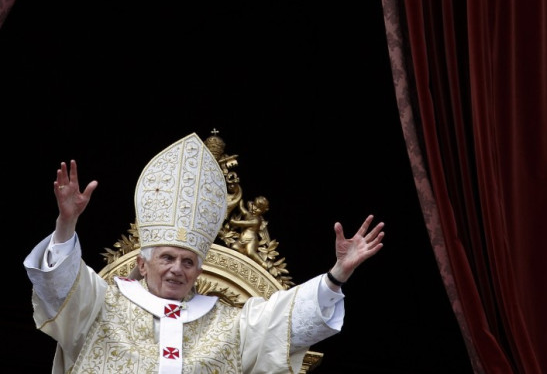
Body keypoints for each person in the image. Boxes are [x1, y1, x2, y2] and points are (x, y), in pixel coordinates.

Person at [24, 133, 385, 374]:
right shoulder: (101, 306)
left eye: (188, 261)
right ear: (141, 262)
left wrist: (337, 274)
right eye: (166, 257)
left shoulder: (230, 324)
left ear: (199, 271)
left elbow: (287, 321)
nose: (176, 269)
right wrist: (66, 224)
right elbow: (60, 285)